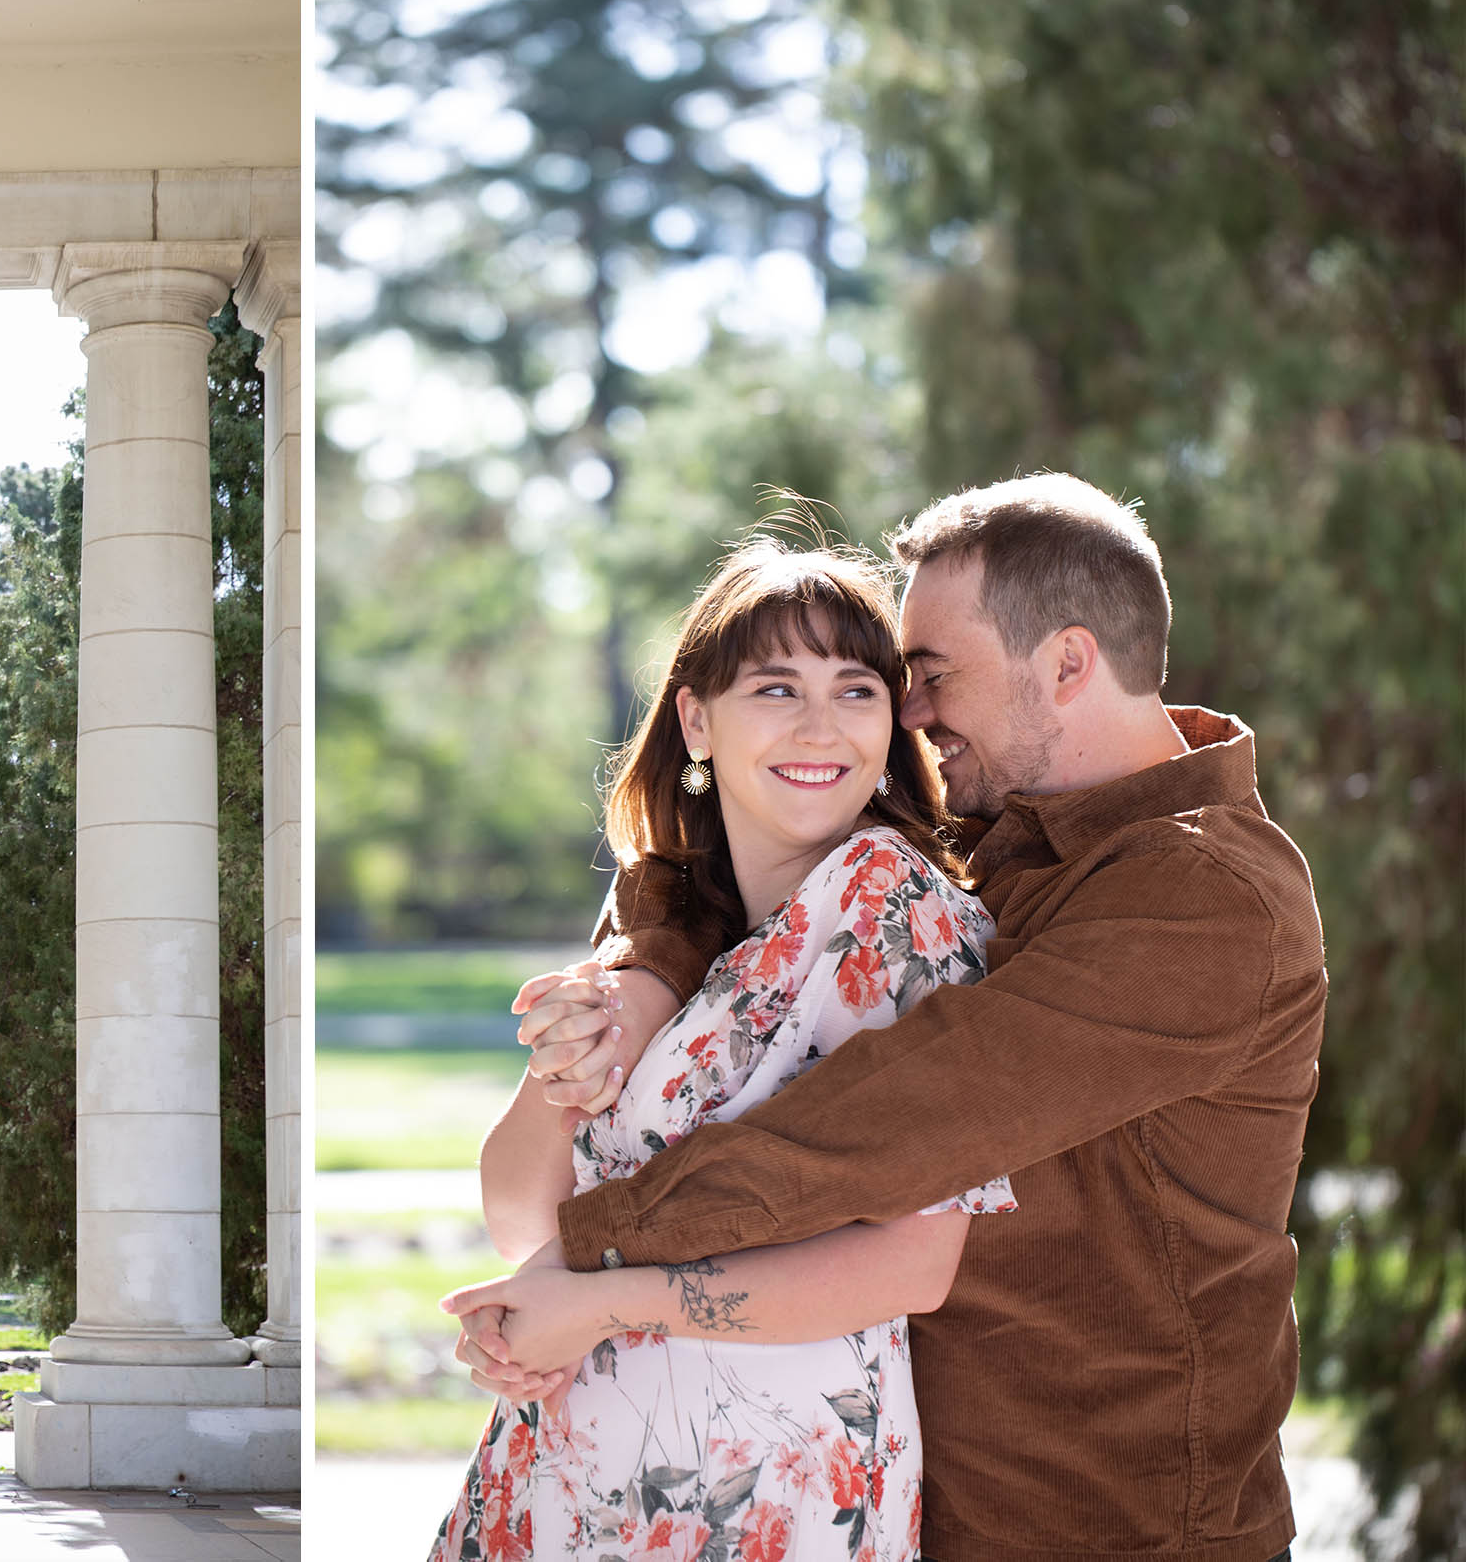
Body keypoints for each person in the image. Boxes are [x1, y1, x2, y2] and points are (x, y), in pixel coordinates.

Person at [473, 475, 1325, 1562]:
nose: (909, 713)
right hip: (928, 1508)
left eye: (926, 676)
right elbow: (760, 905)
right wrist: (645, 964)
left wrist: (590, 1266)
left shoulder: (1202, 898)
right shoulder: (1007, 847)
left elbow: (890, 1119)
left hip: (1112, 1525)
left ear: (1065, 664)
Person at [430, 539, 1016, 1562]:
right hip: (570, 1475)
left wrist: (597, 1305)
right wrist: (563, 1064)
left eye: (855, 689)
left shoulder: (887, 904)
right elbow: (522, 1220)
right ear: (695, 717)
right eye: (774, 687)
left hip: (769, 1493)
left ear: (891, 722)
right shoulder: (671, 929)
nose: (818, 725)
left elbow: (912, 1264)